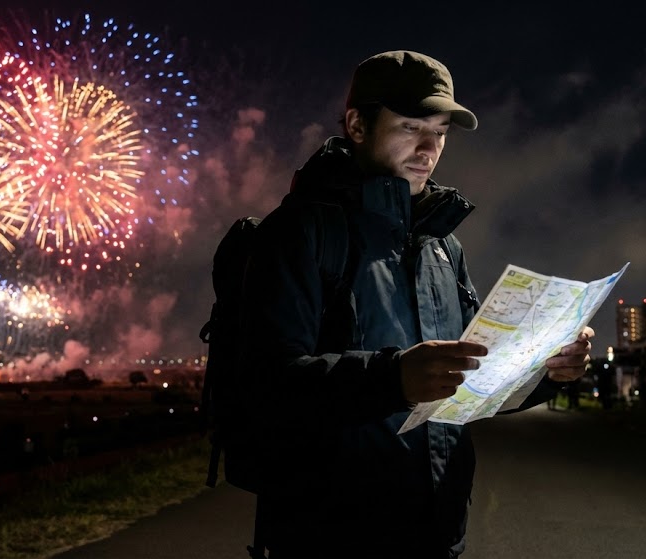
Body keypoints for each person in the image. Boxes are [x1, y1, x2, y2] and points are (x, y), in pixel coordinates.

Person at [238, 51, 594, 558]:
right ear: (358, 125)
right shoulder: (301, 232)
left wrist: (548, 370)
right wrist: (393, 379)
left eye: (441, 131)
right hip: (326, 536)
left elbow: (472, 377)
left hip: (436, 533)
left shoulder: (443, 246)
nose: (429, 148)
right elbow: (266, 386)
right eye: (411, 127)